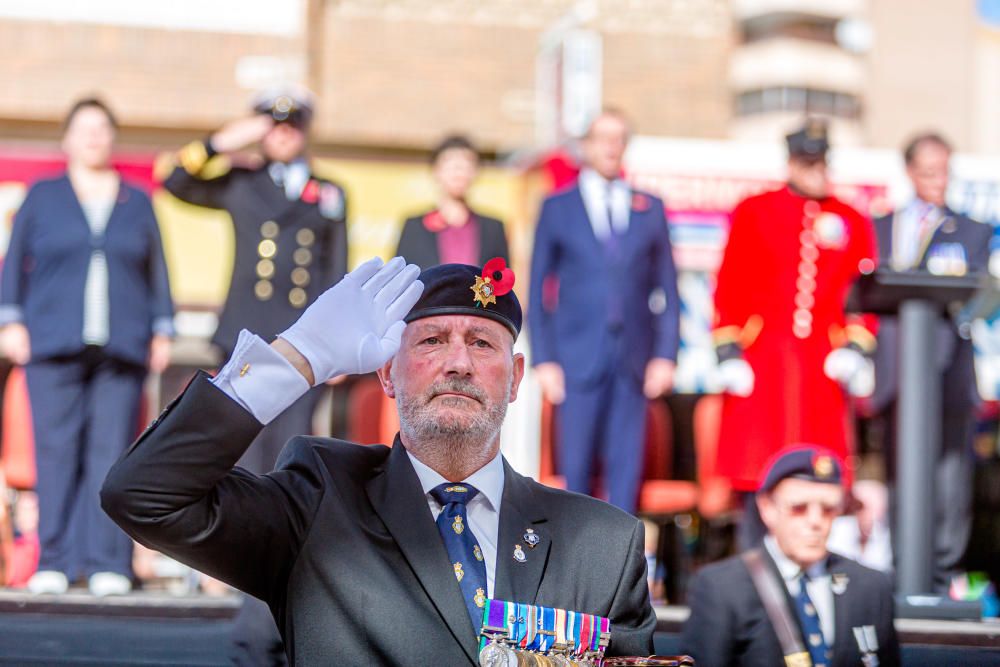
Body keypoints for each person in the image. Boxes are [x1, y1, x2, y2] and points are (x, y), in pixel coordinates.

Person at [101, 256, 656, 664]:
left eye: (483, 344)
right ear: (388, 373)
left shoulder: (601, 544)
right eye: (432, 340)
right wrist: (300, 356)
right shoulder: (320, 500)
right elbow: (145, 496)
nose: (458, 362)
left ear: (515, 379)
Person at [0, 97, 174, 596]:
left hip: (121, 345)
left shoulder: (135, 199)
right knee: (54, 453)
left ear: (112, 138)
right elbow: (15, 264)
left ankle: (107, 563)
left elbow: (157, 269)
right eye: (84, 129)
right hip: (51, 343)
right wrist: (11, 320)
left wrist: (162, 327)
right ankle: (54, 559)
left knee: (111, 454)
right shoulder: (43, 195)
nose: (94, 137)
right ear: (67, 139)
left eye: (102, 129)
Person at [162, 86, 348, 475]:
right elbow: (175, 182)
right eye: (273, 125)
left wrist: (339, 341)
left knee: (293, 446)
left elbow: (336, 270)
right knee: (242, 443)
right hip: (245, 333)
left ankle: (285, 533)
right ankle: (240, 534)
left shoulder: (330, 192)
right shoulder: (241, 181)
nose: (283, 134)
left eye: (293, 126)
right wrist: (219, 143)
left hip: (303, 336)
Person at [712, 119, 877, 546]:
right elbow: (730, 283)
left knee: (819, 467)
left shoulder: (850, 218)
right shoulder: (755, 210)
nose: (816, 169)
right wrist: (729, 351)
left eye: (821, 161)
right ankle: (753, 567)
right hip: (763, 358)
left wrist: (856, 345)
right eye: (807, 161)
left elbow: (864, 294)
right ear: (791, 162)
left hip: (823, 362)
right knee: (756, 468)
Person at [528, 108, 680, 513]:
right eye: (603, 138)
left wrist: (665, 355)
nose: (611, 147)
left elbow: (668, 288)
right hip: (577, 359)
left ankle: (621, 566)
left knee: (626, 472)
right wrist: (544, 360)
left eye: (619, 138)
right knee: (575, 470)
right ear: (586, 146)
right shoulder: (558, 207)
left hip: (632, 361)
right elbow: (538, 287)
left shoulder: (649, 207)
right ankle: (575, 566)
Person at [869, 132, 992, 593]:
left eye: (945, 171)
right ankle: (903, 576)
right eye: (928, 171)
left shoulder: (973, 230)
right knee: (902, 478)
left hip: (950, 377)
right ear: (909, 172)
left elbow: (976, 297)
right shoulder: (880, 227)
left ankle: (941, 578)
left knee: (949, 483)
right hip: (898, 378)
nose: (938, 181)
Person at [680, 447, 901, 667]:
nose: (815, 521)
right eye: (799, 508)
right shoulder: (723, 587)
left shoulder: (870, 586)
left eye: (828, 508)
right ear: (766, 507)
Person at [395, 134, 509, 270]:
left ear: (475, 172)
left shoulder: (493, 228)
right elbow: (398, 278)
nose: (458, 174)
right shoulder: (415, 227)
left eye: (465, 166)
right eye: (451, 166)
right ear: (436, 171)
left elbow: (502, 283)